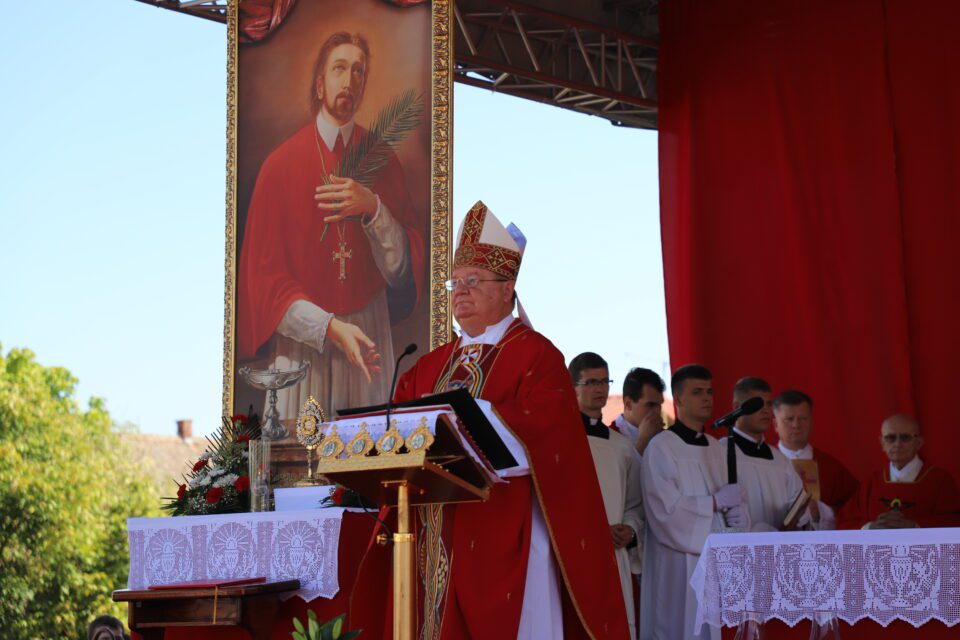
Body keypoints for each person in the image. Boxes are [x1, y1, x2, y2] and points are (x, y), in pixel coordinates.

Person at [357, 201, 629, 639]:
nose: (460, 291)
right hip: (430, 525)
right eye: (455, 283)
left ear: (507, 289)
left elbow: (551, 435)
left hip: (507, 526)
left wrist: (472, 416)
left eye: (473, 281)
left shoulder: (536, 353)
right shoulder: (424, 367)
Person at [237, 31, 426, 419]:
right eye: (340, 68)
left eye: (359, 71)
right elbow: (263, 281)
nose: (350, 80)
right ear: (320, 83)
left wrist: (372, 208)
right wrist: (330, 328)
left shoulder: (384, 161)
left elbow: (403, 271)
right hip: (304, 343)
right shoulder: (280, 166)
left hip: (369, 338)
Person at [640, 364, 746, 640]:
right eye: (697, 392)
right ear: (679, 400)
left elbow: (729, 502)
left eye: (709, 391)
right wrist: (713, 502)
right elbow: (665, 511)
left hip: (714, 560)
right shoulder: (662, 447)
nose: (707, 398)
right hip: (678, 563)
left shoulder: (715, 446)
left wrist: (736, 515)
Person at [570, 352, 644, 639]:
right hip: (575, 551)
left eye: (604, 381)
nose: (600, 389)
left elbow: (634, 504)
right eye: (591, 382)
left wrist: (630, 528)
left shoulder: (622, 446)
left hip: (615, 554)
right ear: (572, 387)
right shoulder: (561, 443)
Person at [720, 377, 823, 531]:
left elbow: (795, 503)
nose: (766, 410)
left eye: (768, 404)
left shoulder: (780, 460)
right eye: (758, 404)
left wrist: (803, 515)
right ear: (737, 407)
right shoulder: (719, 453)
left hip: (777, 550)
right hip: (740, 550)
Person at [840, 414, 960, 529]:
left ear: (918, 443)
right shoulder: (871, 483)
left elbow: (954, 520)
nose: (897, 444)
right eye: (890, 438)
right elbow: (845, 522)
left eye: (905, 437)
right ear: (882, 443)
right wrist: (870, 527)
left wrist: (915, 526)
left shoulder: (940, 481)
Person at [773, 390, 858, 514]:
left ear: (811, 421)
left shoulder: (831, 467)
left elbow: (856, 507)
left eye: (803, 418)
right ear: (775, 424)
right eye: (789, 419)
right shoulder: (764, 463)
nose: (796, 425)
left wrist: (823, 512)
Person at [611, 367, 666, 456]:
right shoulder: (608, 437)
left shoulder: (665, 437)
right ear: (628, 404)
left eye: (659, 405)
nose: (657, 411)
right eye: (651, 405)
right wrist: (642, 441)